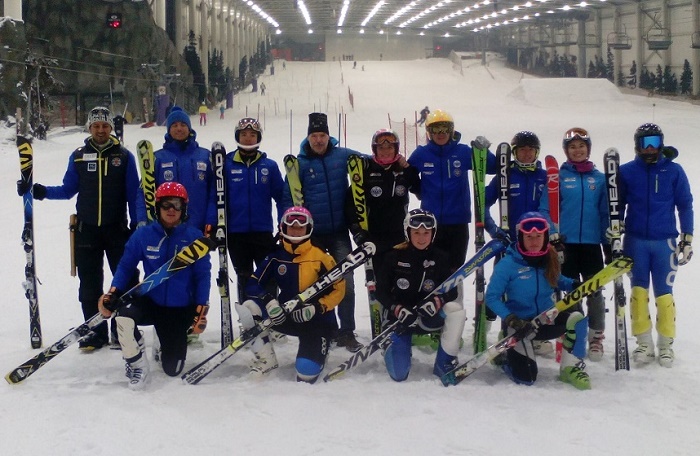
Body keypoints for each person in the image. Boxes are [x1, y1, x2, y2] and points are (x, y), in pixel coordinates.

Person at [18, 106, 142, 350]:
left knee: (125, 281)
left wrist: (137, 223)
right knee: (89, 283)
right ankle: (95, 332)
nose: (100, 130)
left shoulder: (124, 157)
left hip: (117, 228)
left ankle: (123, 330)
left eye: (104, 126)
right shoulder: (77, 156)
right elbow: (66, 190)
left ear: (110, 128)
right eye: (96, 126)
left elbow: (134, 193)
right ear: (89, 127)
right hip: (87, 230)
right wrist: (39, 191)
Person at [97, 182, 211, 389]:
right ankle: (136, 363)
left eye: (176, 205)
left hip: (179, 308)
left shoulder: (194, 238)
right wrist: (113, 292)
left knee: (172, 370)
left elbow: (203, 275)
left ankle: (161, 342)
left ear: (183, 208)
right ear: (157, 207)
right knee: (123, 317)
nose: (171, 210)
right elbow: (125, 265)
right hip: (152, 300)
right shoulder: (143, 235)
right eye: (166, 204)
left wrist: (201, 308)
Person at [282, 112, 363, 352]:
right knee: (313, 284)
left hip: (339, 232)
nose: (319, 140)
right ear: (308, 137)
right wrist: (286, 227)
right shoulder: (300, 164)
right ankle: (320, 327)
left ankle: (346, 331)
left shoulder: (342, 156)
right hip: (312, 237)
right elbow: (289, 197)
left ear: (329, 136)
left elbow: (370, 163)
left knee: (345, 280)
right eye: (315, 135)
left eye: (323, 135)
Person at [238, 207, 344, 382]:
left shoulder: (321, 257)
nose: (295, 229)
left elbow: (339, 288)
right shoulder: (276, 256)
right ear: (283, 228)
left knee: (306, 374)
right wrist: (270, 301)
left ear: (308, 228)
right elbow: (252, 283)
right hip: (286, 316)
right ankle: (267, 359)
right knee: (250, 307)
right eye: (291, 225)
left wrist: (318, 307)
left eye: (300, 226)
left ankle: (320, 346)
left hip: (317, 322)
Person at [486, 212, 590, 390]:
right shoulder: (508, 264)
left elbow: (559, 280)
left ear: (545, 237)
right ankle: (505, 358)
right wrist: (510, 318)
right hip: (520, 325)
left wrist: (574, 284)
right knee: (527, 378)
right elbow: (491, 297)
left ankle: (569, 367)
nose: (534, 241)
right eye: (529, 237)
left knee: (577, 318)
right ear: (520, 237)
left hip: (546, 319)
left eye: (538, 236)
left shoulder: (549, 259)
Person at [618, 123, 694, 368]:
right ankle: (643, 342)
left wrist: (687, 237)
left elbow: (685, 204)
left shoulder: (674, 171)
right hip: (635, 240)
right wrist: (615, 228)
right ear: (636, 145)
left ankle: (665, 344)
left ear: (661, 143)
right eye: (644, 142)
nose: (649, 147)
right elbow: (617, 205)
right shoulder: (627, 171)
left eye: (654, 141)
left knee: (664, 294)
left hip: (665, 242)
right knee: (638, 293)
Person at [407, 109, 496, 299]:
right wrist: (418, 189)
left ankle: (455, 310)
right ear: (429, 132)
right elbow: (407, 176)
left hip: (457, 223)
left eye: (444, 129)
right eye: (436, 129)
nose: (440, 133)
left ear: (451, 130)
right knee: (431, 268)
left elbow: (492, 167)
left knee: (456, 271)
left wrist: (484, 151)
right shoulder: (422, 154)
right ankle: (431, 312)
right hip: (430, 225)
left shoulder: (462, 152)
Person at [540, 128, 609, 361]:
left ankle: (596, 336)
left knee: (595, 291)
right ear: (566, 151)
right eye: (572, 147)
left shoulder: (599, 179)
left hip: (591, 245)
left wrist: (608, 243)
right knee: (571, 292)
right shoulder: (558, 178)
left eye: (581, 146)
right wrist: (552, 234)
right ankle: (574, 331)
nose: (577, 150)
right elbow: (546, 210)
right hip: (565, 245)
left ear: (588, 148)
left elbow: (604, 213)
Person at [375, 209, 464, 381]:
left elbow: (452, 290)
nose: (421, 237)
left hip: (426, 318)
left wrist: (438, 301)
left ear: (433, 233)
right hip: (400, 320)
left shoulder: (441, 257)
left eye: (426, 233)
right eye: (416, 232)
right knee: (399, 375)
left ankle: (444, 363)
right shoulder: (393, 257)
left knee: (455, 309)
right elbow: (380, 291)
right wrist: (397, 308)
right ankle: (391, 345)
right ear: (408, 232)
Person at [484, 131, 548, 353]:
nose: (527, 153)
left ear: (537, 152)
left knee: (535, 289)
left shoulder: (544, 177)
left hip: (537, 244)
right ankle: (498, 330)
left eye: (531, 149)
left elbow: (553, 209)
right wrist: (494, 230)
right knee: (501, 289)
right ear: (514, 153)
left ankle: (536, 334)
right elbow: (483, 202)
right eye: (522, 149)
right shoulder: (506, 175)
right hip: (509, 243)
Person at [225, 117, 284, 301]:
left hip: (262, 232)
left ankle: (271, 317)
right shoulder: (226, 165)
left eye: (252, 134)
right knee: (244, 276)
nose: (248, 138)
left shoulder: (269, 166)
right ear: (237, 136)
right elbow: (217, 197)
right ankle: (248, 320)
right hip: (236, 233)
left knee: (268, 275)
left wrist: (283, 223)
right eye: (244, 134)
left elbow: (281, 197)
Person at [346, 129, 420, 265]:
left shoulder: (403, 171)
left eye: (390, 147)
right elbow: (351, 203)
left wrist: (409, 169)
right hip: (374, 237)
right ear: (375, 149)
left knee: (400, 278)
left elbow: (419, 191)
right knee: (380, 280)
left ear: (396, 148)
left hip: (399, 237)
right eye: (381, 147)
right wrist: (356, 230)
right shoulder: (366, 171)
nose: (385, 151)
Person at [149, 106, 216, 234]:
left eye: (183, 125)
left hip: (198, 227)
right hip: (166, 229)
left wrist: (212, 220)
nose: (179, 128)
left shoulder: (205, 156)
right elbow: (145, 192)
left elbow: (214, 192)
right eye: (174, 125)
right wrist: (145, 220)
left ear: (189, 128)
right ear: (169, 130)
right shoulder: (158, 158)